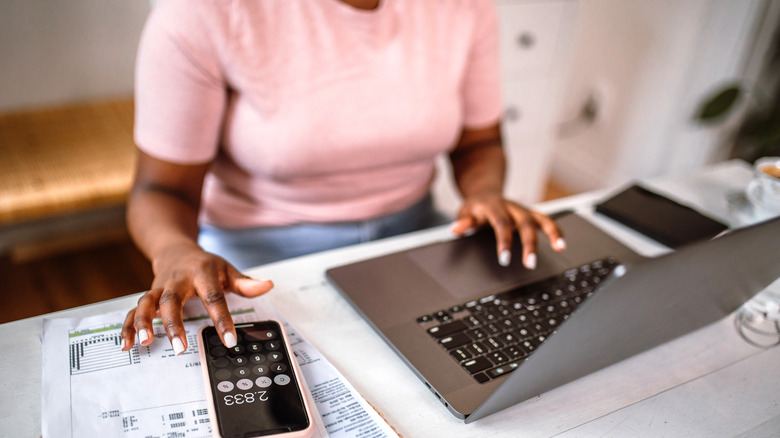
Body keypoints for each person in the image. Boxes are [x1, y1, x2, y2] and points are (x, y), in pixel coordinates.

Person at [120, 0, 566, 355]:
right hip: (256, 258)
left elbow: (478, 142)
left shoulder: (464, 7)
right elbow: (162, 188)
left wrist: (485, 192)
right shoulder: (202, 13)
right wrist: (174, 249)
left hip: (410, 234)